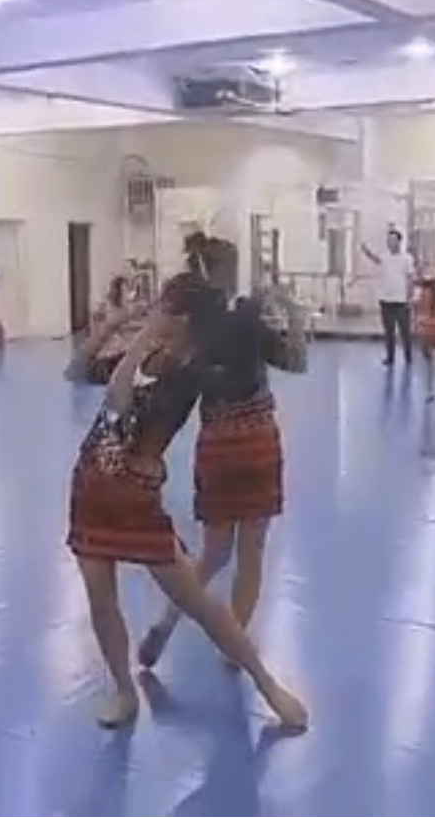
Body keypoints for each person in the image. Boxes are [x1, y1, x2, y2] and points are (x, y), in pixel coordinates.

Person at [62, 272, 309, 731]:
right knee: (101, 602)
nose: (155, 310)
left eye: (164, 306)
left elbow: (118, 400)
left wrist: (143, 336)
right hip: (91, 486)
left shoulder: (188, 372)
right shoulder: (147, 354)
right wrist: (113, 324)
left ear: (182, 318)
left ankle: (268, 685)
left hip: (136, 497)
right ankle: (124, 691)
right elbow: (76, 370)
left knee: (199, 603)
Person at [137, 243, 309, 669]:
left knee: (213, 553)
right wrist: (291, 312)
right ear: (226, 270)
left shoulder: (192, 327)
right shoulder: (248, 315)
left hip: (216, 442)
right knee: (252, 552)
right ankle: (234, 647)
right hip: (257, 440)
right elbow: (295, 360)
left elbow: (169, 383)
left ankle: (166, 622)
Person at [359, 228, 417, 366]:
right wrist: (366, 251)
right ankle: (390, 357)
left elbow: (410, 278)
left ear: (399, 242)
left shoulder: (407, 258)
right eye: (389, 240)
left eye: (393, 240)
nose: (390, 242)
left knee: (405, 331)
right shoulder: (385, 257)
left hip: (401, 300)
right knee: (388, 331)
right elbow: (376, 259)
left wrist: (409, 297)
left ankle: (408, 357)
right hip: (386, 299)